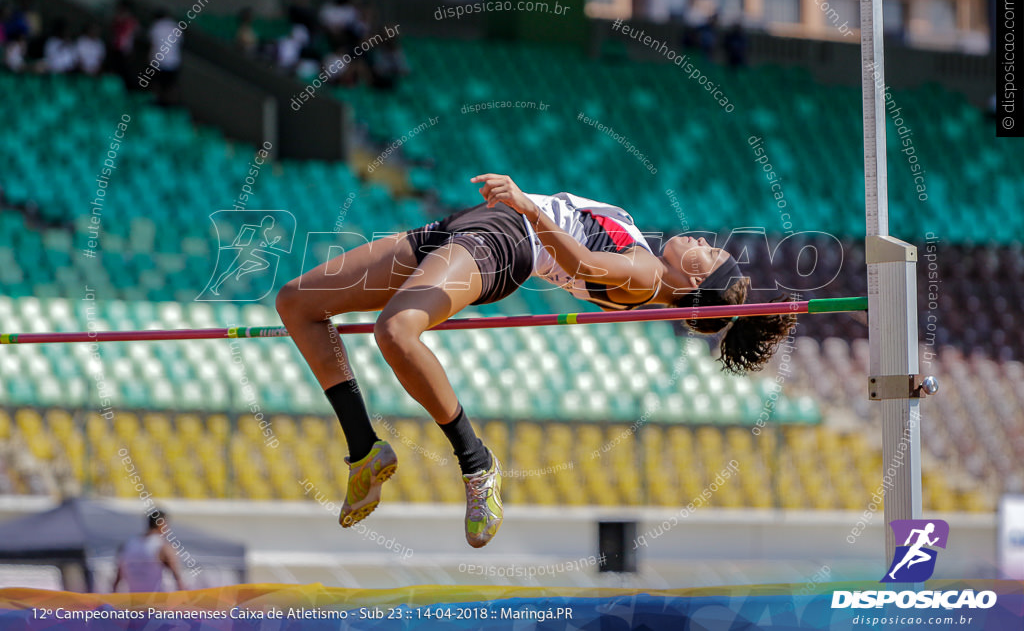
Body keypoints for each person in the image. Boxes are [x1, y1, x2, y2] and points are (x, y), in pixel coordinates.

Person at [275, 175, 796, 548]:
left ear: (692, 285)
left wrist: (528, 208)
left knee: (396, 330)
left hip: (502, 239)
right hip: (474, 225)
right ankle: (364, 449)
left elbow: (583, 262)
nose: (704, 242)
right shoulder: (651, 272)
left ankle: (476, 463)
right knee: (298, 303)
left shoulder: (647, 276)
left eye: (708, 254)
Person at [112, 509, 185, 592]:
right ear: (162, 524)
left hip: (135, 601)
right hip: (157, 601)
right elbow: (178, 578)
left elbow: (117, 580)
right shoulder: (163, 547)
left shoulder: (127, 545)